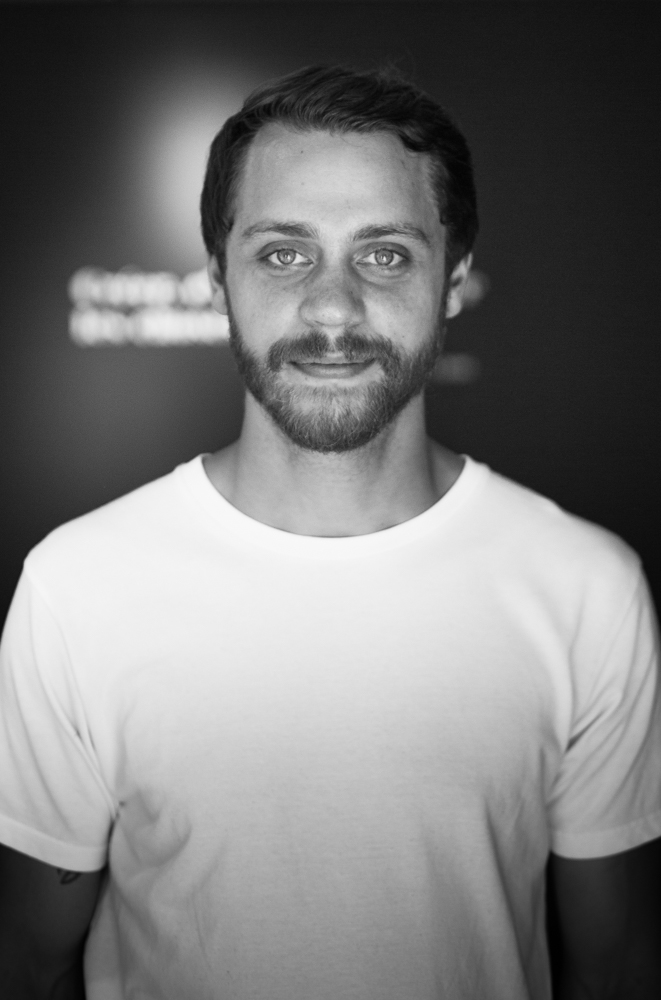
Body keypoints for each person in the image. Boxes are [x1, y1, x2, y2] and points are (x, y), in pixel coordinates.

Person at [0, 64, 660, 1000]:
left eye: (384, 255)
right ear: (219, 280)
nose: (333, 308)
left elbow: (616, 967)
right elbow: (29, 965)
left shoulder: (585, 586)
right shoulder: (76, 589)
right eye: (283, 254)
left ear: (452, 280)